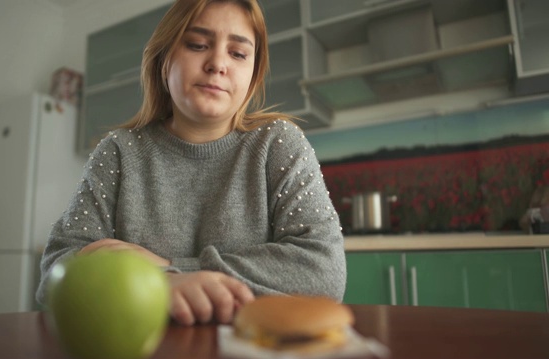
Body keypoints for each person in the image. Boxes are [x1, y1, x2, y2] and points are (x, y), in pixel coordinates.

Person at [36, 0, 346, 326]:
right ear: (163, 59)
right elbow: (56, 270)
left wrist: (170, 269)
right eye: (198, 45)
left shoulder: (280, 143)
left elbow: (325, 271)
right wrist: (164, 282)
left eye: (238, 53)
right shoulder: (117, 152)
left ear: (253, 75)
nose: (217, 63)